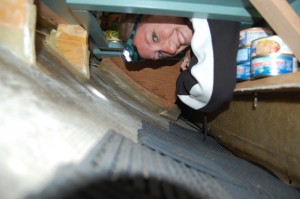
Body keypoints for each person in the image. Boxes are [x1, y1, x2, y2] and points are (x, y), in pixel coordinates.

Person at [121, 15, 240, 113]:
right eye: (160, 54)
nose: (171, 49)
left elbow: (212, 92)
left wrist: (183, 82)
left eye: (154, 37)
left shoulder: (203, 13)